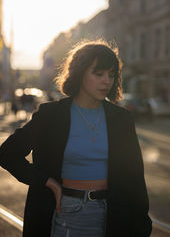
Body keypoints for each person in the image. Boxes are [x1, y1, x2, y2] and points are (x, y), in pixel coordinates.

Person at [0, 39, 152, 237]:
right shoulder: (51, 115)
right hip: (66, 215)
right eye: (99, 74)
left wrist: (142, 226)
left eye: (111, 75)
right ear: (80, 74)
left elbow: (135, 179)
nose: (107, 80)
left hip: (114, 217)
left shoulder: (121, 119)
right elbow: (7, 153)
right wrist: (47, 182)